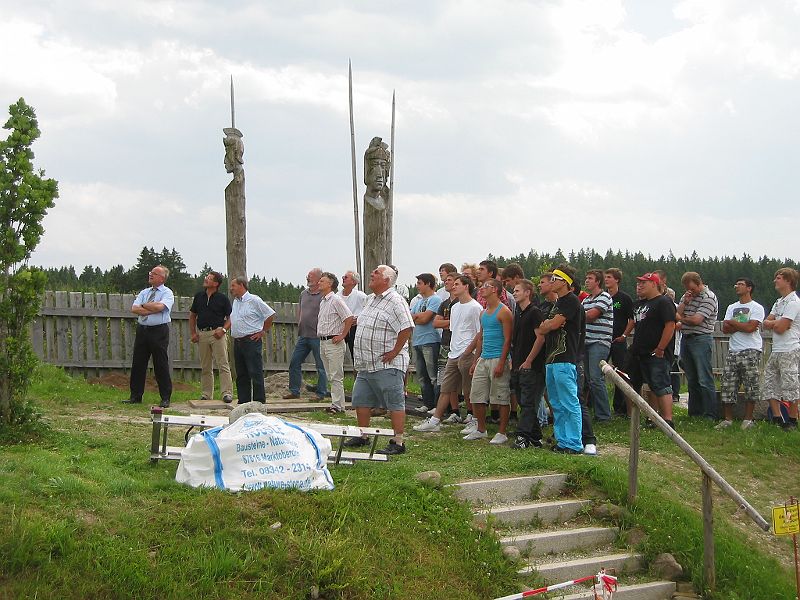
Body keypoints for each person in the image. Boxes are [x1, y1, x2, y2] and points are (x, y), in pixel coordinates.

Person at [344, 265, 414, 455]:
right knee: (361, 400)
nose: (372, 274)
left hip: (387, 363)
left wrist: (395, 351)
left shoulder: (396, 300)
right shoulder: (370, 299)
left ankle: (398, 441)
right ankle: (363, 435)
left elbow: (407, 327)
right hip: (366, 363)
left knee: (394, 402)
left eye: (377, 272)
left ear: (387, 280)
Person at [415, 275, 482, 434]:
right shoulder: (455, 307)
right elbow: (452, 329)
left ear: (466, 286)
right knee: (446, 388)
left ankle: (475, 420)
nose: (453, 287)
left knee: (469, 389)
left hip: (467, 352)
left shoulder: (475, 307)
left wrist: (470, 352)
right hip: (453, 352)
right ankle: (435, 420)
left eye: (457, 284)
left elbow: (479, 333)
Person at [536, 265, 585, 454]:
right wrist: (549, 324)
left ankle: (574, 443)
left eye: (555, 279)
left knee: (569, 401)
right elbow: (542, 328)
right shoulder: (557, 303)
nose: (551, 282)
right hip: (552, 358)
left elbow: (553, 324)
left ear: (565, 282)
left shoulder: (571, 301)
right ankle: (562, 440)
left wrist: (550, 323)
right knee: (556, 402)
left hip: (565, 357)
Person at [626, 273, 677, 428]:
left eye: (644, 283)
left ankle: (667, 420)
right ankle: (649, 416)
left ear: (654, 284)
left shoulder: (663, 302)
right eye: (638, 283)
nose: (639, 286)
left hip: (657, 352)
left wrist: (661, 348)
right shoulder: (638, 304)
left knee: (660, 384)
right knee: (632, 382)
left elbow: (670, 325)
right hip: (638, 351)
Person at [467, 279, 513, 443]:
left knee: (500, 396)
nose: (481, 289)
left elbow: (507, 339)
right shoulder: (483, 313)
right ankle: (481, 429)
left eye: (486, 286)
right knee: (476, 395)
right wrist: (475, 361)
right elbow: (481, 338)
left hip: (497, 357)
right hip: (484, 358)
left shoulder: (504, 312)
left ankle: (502, 432)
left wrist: (502, 362)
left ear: (495, 289)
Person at [123, 265, 174, 408]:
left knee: (160, 364)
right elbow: (134, 308)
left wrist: (144, 306)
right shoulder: (144, 292)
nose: (151, 275)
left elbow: (160, 307)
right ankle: (135, 396)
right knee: (138, 363)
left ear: (162, 278)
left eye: (155, 273)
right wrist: (150, 307)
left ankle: (165, 397)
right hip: (142, 330)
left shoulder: (167, 293)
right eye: (151, 272)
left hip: (159, 331)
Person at [718, 278, 764, 429]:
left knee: (751, 384)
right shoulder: (731, 307)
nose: (737, 286)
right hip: (733, 350)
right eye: (736, 284)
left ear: (749, 288)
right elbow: (725, 329)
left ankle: (748, 419)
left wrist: (734, 323)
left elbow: (751, 328)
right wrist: (742, 325)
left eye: (741, 284)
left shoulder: (756, 307)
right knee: (728, 384)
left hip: (751, 349)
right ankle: (728, 419)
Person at [676, 272, 718, 419]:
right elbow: (676, 313)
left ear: (699, 283)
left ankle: (710, 413)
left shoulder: (709, 297)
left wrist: (681, 318)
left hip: (701, 338)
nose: (690, 291)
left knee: (704, 378)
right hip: (686, 338)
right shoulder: (687, 296)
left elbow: (696, 320)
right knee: (692, 378)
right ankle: (695, 412)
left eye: (692, 288)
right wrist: (685, 303)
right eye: (687, 288)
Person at [762, 268, 800, 431]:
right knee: (770, 382)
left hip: (789, 348)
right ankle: (777, 418)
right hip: (776, 349)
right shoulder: (779, 302)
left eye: (778, 278)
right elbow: (766, 322)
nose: (775, 281)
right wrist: (776, 322)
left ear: (788, 281)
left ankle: (792, 420)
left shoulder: (793, 302)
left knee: (790, 384)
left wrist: (776, 323)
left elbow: (781, 328)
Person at [228, 277, 275, 404]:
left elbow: (270, 314)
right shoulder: (236, 302)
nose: (231, 288)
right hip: (238, 341)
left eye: (233, 286)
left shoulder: (254, 300)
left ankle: (259, 401)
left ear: (241, 285)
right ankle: (244, 401)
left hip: (251, 340)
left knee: (255, 371)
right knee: (241, 373)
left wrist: (263, 331)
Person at [511, 279, 546, 449]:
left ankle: (522, 436)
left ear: (527, 293)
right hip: (518, 363)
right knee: (522, 400)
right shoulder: (519, 313)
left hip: (531, 366)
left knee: (527, 401)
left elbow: (540, 338)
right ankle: (535, 436)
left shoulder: (535, 312)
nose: (514, 293)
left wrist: (529, 360)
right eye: (514, 290)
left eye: (517, 290)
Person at [189, 270, 233, 403]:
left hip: (217, 334)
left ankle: (227, 393)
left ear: (216, 283)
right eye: (206, 277)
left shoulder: (222, 298)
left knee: (223, 364)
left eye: (209, 278)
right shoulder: (199, 297)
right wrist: (193, 333)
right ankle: (206, 394)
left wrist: (223, 330)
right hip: (202, 334)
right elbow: (192, 316)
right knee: (205, 366)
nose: (206, 279)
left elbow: (231, 318)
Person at [285, 268, 328, 400]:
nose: (308, 278)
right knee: (294, 362)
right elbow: (300, 310)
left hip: (317, 336)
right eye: (308, 276)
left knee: (321, 366)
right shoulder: (303, 294)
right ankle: (294, 391)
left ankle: (321, 393)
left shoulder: (323, 295)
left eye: (310, 276)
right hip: (303, 335)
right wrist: (300, 321)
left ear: (319, 279)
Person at [317, 272, 354, 414]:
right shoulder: (323, 302)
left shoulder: (336, 300)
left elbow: (349, 317)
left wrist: (342, 335)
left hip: (333, 342)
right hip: (323, 341)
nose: (319, 283)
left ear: (330, 284)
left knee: (336, 375)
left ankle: (338, 406)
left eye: (322, 281)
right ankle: (335, 403)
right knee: (330, 374)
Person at [582, 269, 613, 422]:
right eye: (586, 278)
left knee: (596, 378)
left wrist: (574, 315)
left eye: (590, 278)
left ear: (598, 281)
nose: (587, 281)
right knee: (589, 379)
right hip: (586, 342)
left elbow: (591, 316)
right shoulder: (586, 300)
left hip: (599, 341)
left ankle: (604, 415)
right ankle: (597, 411)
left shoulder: (605, 297)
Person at [604, 268, 635, 417]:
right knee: (597, 372)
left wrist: (624, 335)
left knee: (620, 372)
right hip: (603, 339)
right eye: (605, 277)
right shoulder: (602, 297)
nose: (606, 279)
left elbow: (632, 319)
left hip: (618, 340)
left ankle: (620, 407)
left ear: (617, 280)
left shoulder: (624, 298)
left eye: (609, 277)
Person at [410, 273, 443, 411]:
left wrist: (418, 316)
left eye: (419, 283)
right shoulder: (418, 302)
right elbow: (410, 318)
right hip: (417, 341)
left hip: (430, 340)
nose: (417, 286)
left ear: (428, 284)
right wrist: (418, 316)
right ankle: (427, 403)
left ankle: (437, 405)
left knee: (433, 375)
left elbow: (424, 319)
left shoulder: (435, 299)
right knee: (422, 376)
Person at [338, 270, 367, 361]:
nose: (343, 278)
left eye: (346, 277)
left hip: (355, 329)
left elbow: (368, 311)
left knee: (356, 355)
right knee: (337, 355)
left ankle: (357, 369)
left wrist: (359, 319)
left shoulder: (361, 296)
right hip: (340, 328)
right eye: (343, 277)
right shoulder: (337, 296)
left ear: (354, 282)